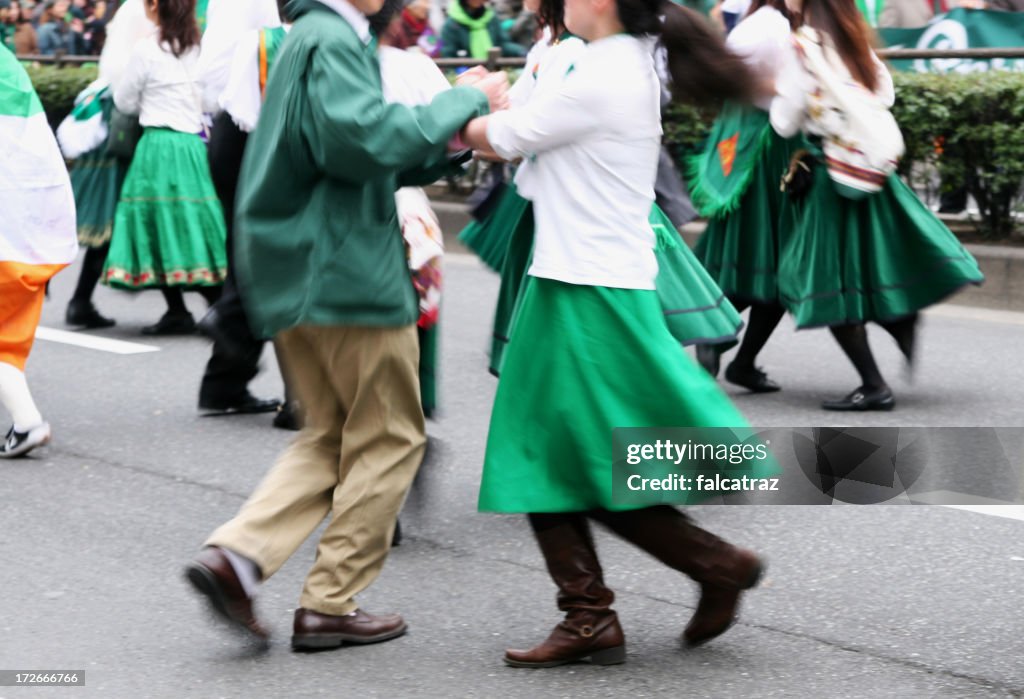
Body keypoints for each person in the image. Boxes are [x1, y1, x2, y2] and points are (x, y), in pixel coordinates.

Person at [184, 0, 507, 648]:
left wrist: (444, 133)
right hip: (344, 267)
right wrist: (465, 100)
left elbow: (351, 150)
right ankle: (329, 599)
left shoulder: (310, 36)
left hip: (300, 269)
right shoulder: (332, 38)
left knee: (329, 435)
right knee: (389, 435)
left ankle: (238, 559)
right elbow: (364, 142)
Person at [460, 0, 772, 667]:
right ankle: (610, 605)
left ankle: (660, 586)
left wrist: (458, 106)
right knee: (558, 454)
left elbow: (507, 136)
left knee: (556, 455)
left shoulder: (608, 69)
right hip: (579, 277)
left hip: (588, 285)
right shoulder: (613, 59)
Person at [771, 0, 984, 410]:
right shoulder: (855, 40)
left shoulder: (801, 47)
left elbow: (783, 122)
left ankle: (873, 385)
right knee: (869, 263)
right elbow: (884, 93)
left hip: (833, 177)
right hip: (868, 170)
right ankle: (898, 318)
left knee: (825, 283)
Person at [691, 0, 804, 392]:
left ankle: (740, 357)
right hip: (764, 150)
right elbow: (753, 85)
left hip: (747, 147)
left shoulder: (760, 23)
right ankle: (717, 334)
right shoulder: (771, 27)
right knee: (772, 263)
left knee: (767, 263)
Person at [102, 0, 228, 334]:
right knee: (196, 223)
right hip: (191, 147)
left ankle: (179, 310)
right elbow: (213, 101)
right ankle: (217, 303)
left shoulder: (146, 49)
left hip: (156, 146)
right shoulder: (199, 48)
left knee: (156, 224)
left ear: (156, 7)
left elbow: (124, 101)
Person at [192, 0, 285, 418]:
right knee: (279, 257)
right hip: (252, 127)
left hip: (245, 126)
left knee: (252, 255)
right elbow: (214, 72)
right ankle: (227, 319)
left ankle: (224, 384)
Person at [0, 43, 78, 457]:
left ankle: (28, 421)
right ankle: (27, 421)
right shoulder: (8, 64)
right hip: (24, 229)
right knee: (6, 337)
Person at [60, 0, 151, 330]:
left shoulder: (133, 8)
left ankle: (80, 301)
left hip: (110, 115)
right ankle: (80, 300)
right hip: (124, 119)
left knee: (115, 214)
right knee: (121, 212)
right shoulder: (147, 9)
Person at [440, 0, 525, 58]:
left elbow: (502, 44)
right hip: (465, 75)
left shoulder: (491, 17)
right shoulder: (452, 24)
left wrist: (521, 51)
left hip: (492, 71)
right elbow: (448, 54)